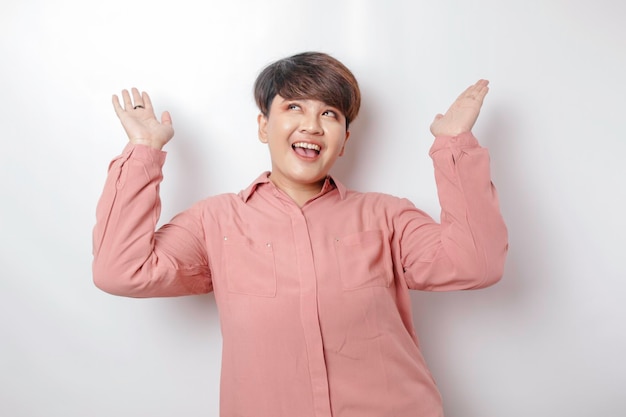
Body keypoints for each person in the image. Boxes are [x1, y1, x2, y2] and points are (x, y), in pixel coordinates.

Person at [93, 51, 508, 417]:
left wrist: (454, 145)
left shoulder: (387, 215)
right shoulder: (214, 222)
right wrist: (144, 150)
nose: (312, 124)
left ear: (344, 141)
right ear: (263, 125)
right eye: (294, 107)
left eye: (330, 114)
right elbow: (119, 270)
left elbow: (476, 264)